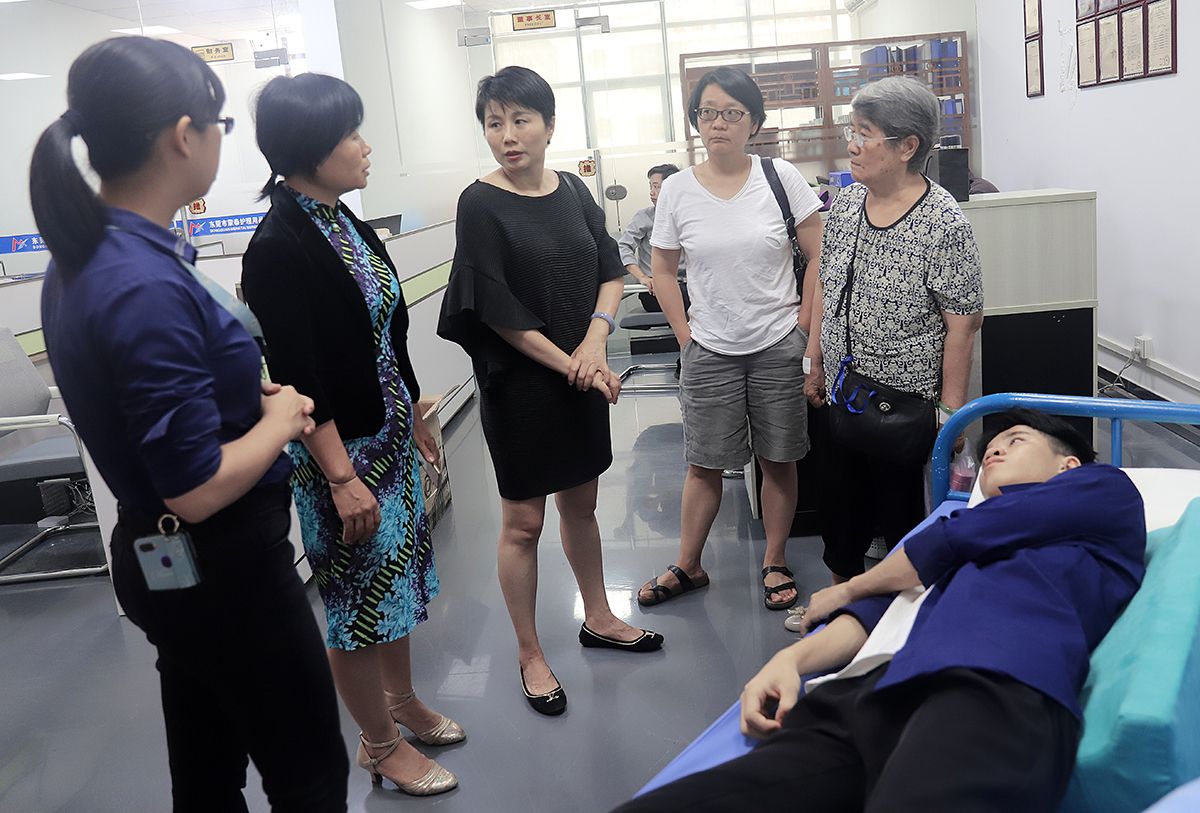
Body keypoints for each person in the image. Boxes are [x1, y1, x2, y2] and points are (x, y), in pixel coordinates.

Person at [32, 38, 348, 812]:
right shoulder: (139, 281)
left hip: (174, 561)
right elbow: (196, 485)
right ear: (183, 135)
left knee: (206, 769)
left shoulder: (93, 254)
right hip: (225, 565)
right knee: (309, 772)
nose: (217, 141)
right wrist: (280, 419)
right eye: (219, 126)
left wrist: (242, 392)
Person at [615, 409, 1147, 812]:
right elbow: (881, 611)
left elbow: (930, 552)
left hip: (993, 688)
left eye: (1016, 441)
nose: (994, 451)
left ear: (1068, 464)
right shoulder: (968, 538)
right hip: (874, 696)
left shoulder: (1104, 491)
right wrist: (788, 662)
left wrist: (847, 588)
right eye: (990, 447)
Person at [240, 74, 457, 797]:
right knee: (357, 601)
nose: (365, 148)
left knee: (397, 583)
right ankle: (379, 743)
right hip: (343, 455)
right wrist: (341, 478)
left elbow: (387, 334)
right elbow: (299, 376)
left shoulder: (345, 222)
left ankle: (402, 702)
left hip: (387, 436)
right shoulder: (278, 245)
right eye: (351, 134)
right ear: (309, 147)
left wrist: (416, 414)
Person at [437, 65, 663, 717]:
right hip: (521, 384)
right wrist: (574, 363)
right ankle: (530, 651)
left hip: (580, 370)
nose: (508, 135)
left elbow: (610, 270)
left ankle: (599, 615)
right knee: (524, 522)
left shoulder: (572, 189)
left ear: (549, 125)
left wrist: (595, 341)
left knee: (582, 505)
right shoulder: (480, 203)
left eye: (521, 120)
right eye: (494, 123)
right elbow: (496, 310)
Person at [636, 67, 824, 612]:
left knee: (778, 459)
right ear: (696, 121)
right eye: (707, 113)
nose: (718, 123)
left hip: (777, 341)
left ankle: (775, 560)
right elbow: (662, 270)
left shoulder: (780, 177)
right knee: (704, 463)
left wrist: (803, 328)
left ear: (754, 122)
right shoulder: (677, 189)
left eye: (731, 113)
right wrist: (685, 336)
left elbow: (819, 255)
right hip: (709, 348)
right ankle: (689, 564)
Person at [806, 76, 984, 583]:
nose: (852, 145)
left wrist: (949, 415)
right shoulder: (845, 206)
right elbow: (827, 288)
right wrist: (814, 363)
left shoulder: (943, 223)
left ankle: (898, 614)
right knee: (840, 516)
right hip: (842, 392)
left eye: (865, 134)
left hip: (904, 407)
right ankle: (842, 604)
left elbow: (963, 325)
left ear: (908, 146)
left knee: (903, 520)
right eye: (853, 131)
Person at [618, 164, 689, 314]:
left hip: (686, 285)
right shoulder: (644, 217)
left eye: (657, 187)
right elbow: (623, 246)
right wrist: (642, 277)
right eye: (651, 186)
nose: (652, 192)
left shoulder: (688, 216)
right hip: (654, 290)